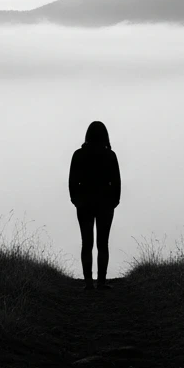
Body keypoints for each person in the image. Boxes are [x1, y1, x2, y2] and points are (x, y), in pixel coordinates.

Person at [69, 120, 121, 290]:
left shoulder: (78, 155)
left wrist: (76, 200)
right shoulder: (110, 155)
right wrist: (114, 201)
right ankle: (102, 282)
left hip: (84, 204)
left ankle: (88, 283)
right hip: (105, 204)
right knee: (103, 244)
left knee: (87, 244)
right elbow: (116, 182)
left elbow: (72, 181)